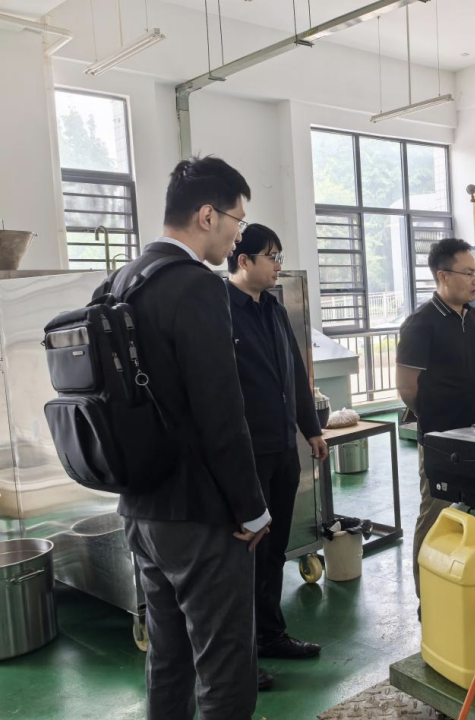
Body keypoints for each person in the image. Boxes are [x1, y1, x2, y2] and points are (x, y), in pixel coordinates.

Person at [101, 156, 269, 719]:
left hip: (141, 507)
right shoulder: (197, 286)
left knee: (169, 657)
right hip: (199, 514)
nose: (238, 235)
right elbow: (221, 414)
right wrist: (252, 509)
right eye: (237, 221)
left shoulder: (122, 281)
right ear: (207, 215)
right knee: (225, 668)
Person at [227, 224, 328, 666]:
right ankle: (240, 654)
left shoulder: (274, 308)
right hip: (245, 455)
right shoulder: (219, 311)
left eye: (280, 256)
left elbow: (295, 375)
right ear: (243, 260)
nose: (278, 266)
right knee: (245, 553)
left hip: (283, 449)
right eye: (271, 256)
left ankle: (269, 635)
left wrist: (311, 429)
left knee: (274, 548)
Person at [396, 238, 475, 608]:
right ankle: (428, 597)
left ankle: (462, 584)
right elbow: (407, 387)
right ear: (443, 276)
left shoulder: (472, 317)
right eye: (468, 273)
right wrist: (434, 419)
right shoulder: (421, 324)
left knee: (474, 513)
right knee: (436, 513)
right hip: (440, 440)